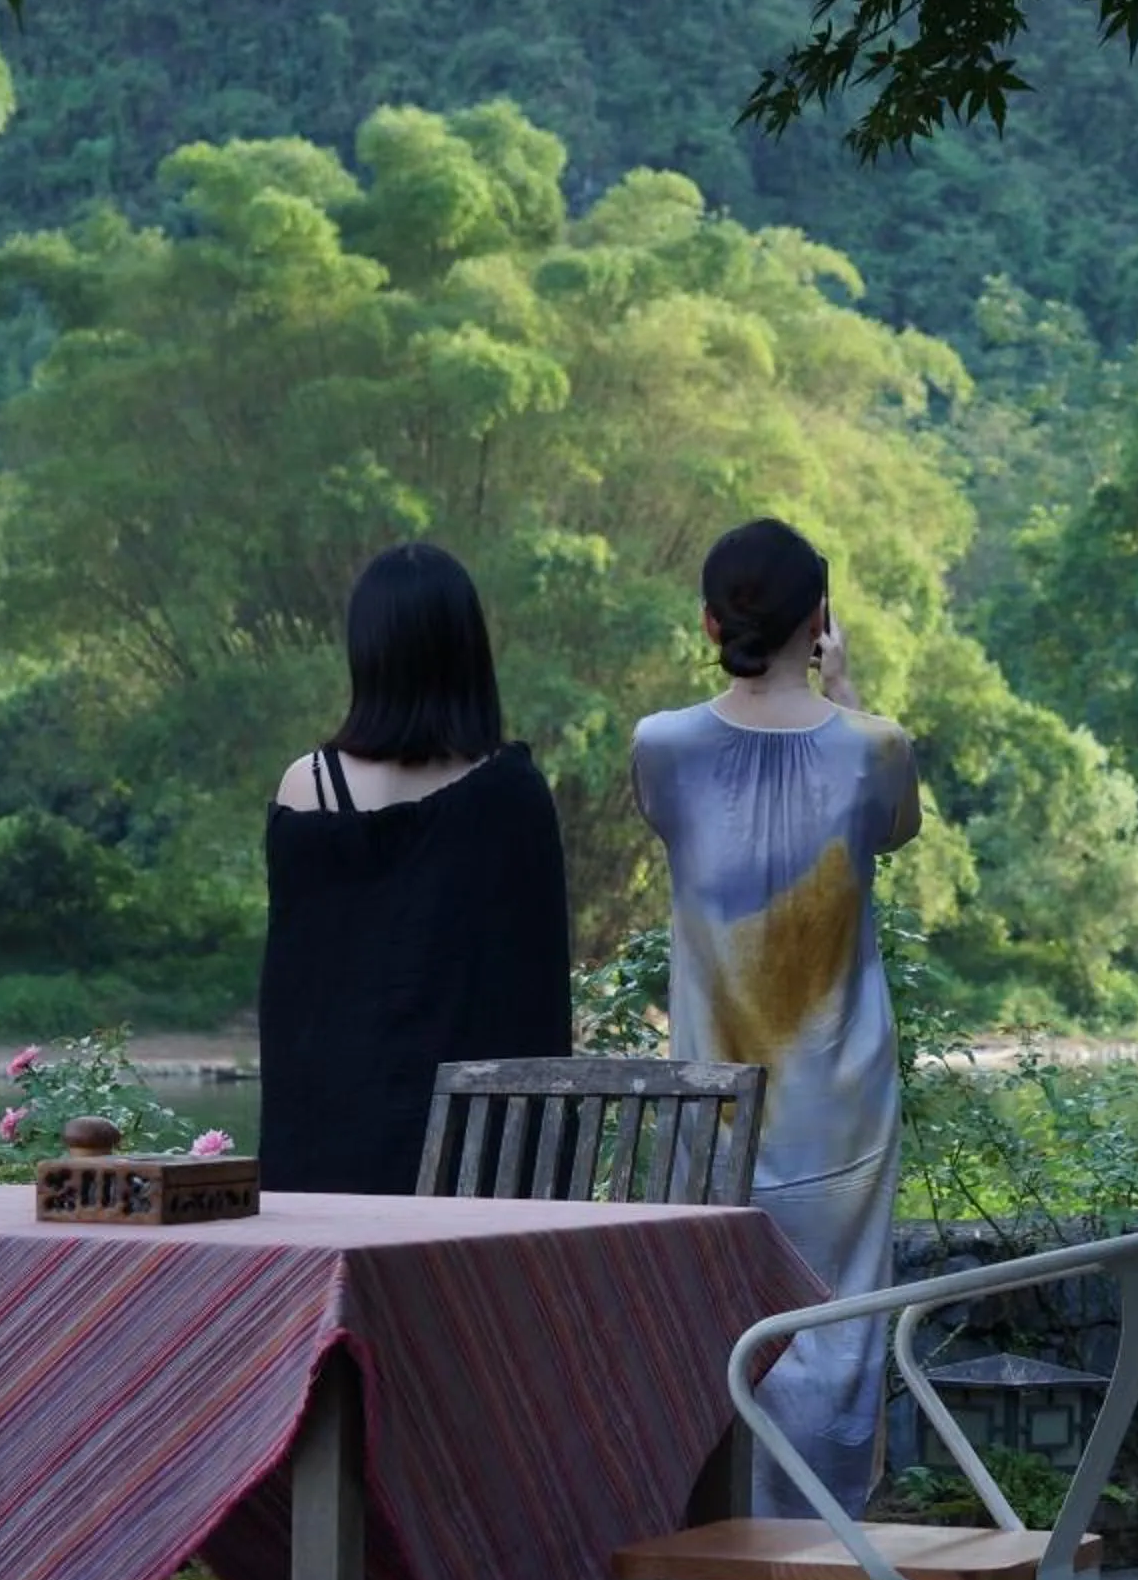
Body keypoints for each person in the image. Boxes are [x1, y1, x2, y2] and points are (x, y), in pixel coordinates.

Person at [630, 518, 923, 1519]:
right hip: (842, 1100)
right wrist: (843, 690)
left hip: (716, 1102)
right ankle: (825, 1547)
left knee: (718, 1331)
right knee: (839, 1332)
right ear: (820, 621)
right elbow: (899, 825)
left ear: (709, 621)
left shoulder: (661, 746)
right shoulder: (876, 747)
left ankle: (725, 1548)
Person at [257, 543, 573, 1194]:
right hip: (478, 1169)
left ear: (365, 651)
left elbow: (295, 1005)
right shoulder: (511, 793)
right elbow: (533, 1004)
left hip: (323, 1154)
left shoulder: (305, 788)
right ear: (466, 650)